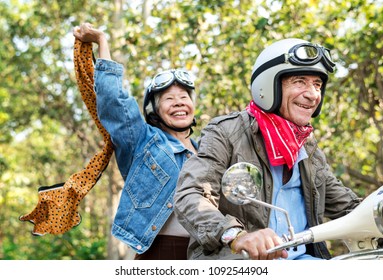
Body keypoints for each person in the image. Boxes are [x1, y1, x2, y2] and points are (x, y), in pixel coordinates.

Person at [174, 38, 361, 260]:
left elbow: (349, 207)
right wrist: (235, 235)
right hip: (243, 263)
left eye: (317, 85)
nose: (312, 94)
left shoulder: (307, 148)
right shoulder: (226, 132)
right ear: (268, 85)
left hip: (306, 263)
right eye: (299, 81)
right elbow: (191, 194)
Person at [73, 22, 198, 260]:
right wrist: (102, 40)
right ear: (155, 109)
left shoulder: (209, 150)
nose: (179, 102)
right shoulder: (143, 141)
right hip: (158, 254)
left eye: (184, 97)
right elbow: (113, 100)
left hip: (205, 255)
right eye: (169, 98)